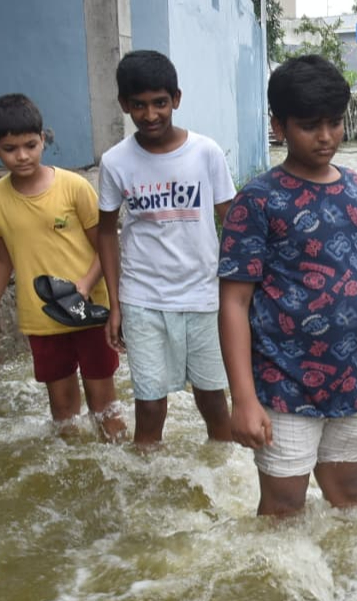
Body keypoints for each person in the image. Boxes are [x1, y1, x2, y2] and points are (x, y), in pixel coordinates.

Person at [218, 55, 357, 517]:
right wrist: (243, 399)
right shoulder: (258, 200)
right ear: (279, 125)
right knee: (283, 508)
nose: (326, 136)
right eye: (310, 125)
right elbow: (233, 302)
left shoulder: (356, 191)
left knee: (349, 500)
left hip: (350, 379)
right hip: (282, 385)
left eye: (333, 123)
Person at [97, 49, 235, 448]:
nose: (150, 114)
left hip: (204, 295)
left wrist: (243, 293)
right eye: (138, 105)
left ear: (176, 98)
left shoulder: (205, 152)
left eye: (159, 102)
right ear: (124, 105)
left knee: (212, 401)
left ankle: (223, 479)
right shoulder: (115, 161)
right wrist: (116, 303)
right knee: (150, 406)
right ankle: (146, 491)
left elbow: (234, 220)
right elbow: (107, 232)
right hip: (143, 298)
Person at [0, 93, 125, 441]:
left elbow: (106, 245)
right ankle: (76, 477)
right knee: (62, 414)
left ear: (44, 140)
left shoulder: (73, 187)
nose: (22, 155)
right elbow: (1, 258)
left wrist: (83, 287)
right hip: (41, 319)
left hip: (89, 313)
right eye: (11, 148)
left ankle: (119, 473)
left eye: (30, 144)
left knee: (106, 408)